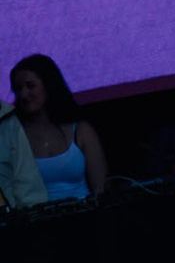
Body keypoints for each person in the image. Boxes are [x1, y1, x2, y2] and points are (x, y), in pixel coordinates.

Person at [9, 56, 106, 203]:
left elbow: (101, 189)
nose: (23, 94)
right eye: (18, 89)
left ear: (49, 85)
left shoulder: (80, 130)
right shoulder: (11, 136)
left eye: (30, 86)